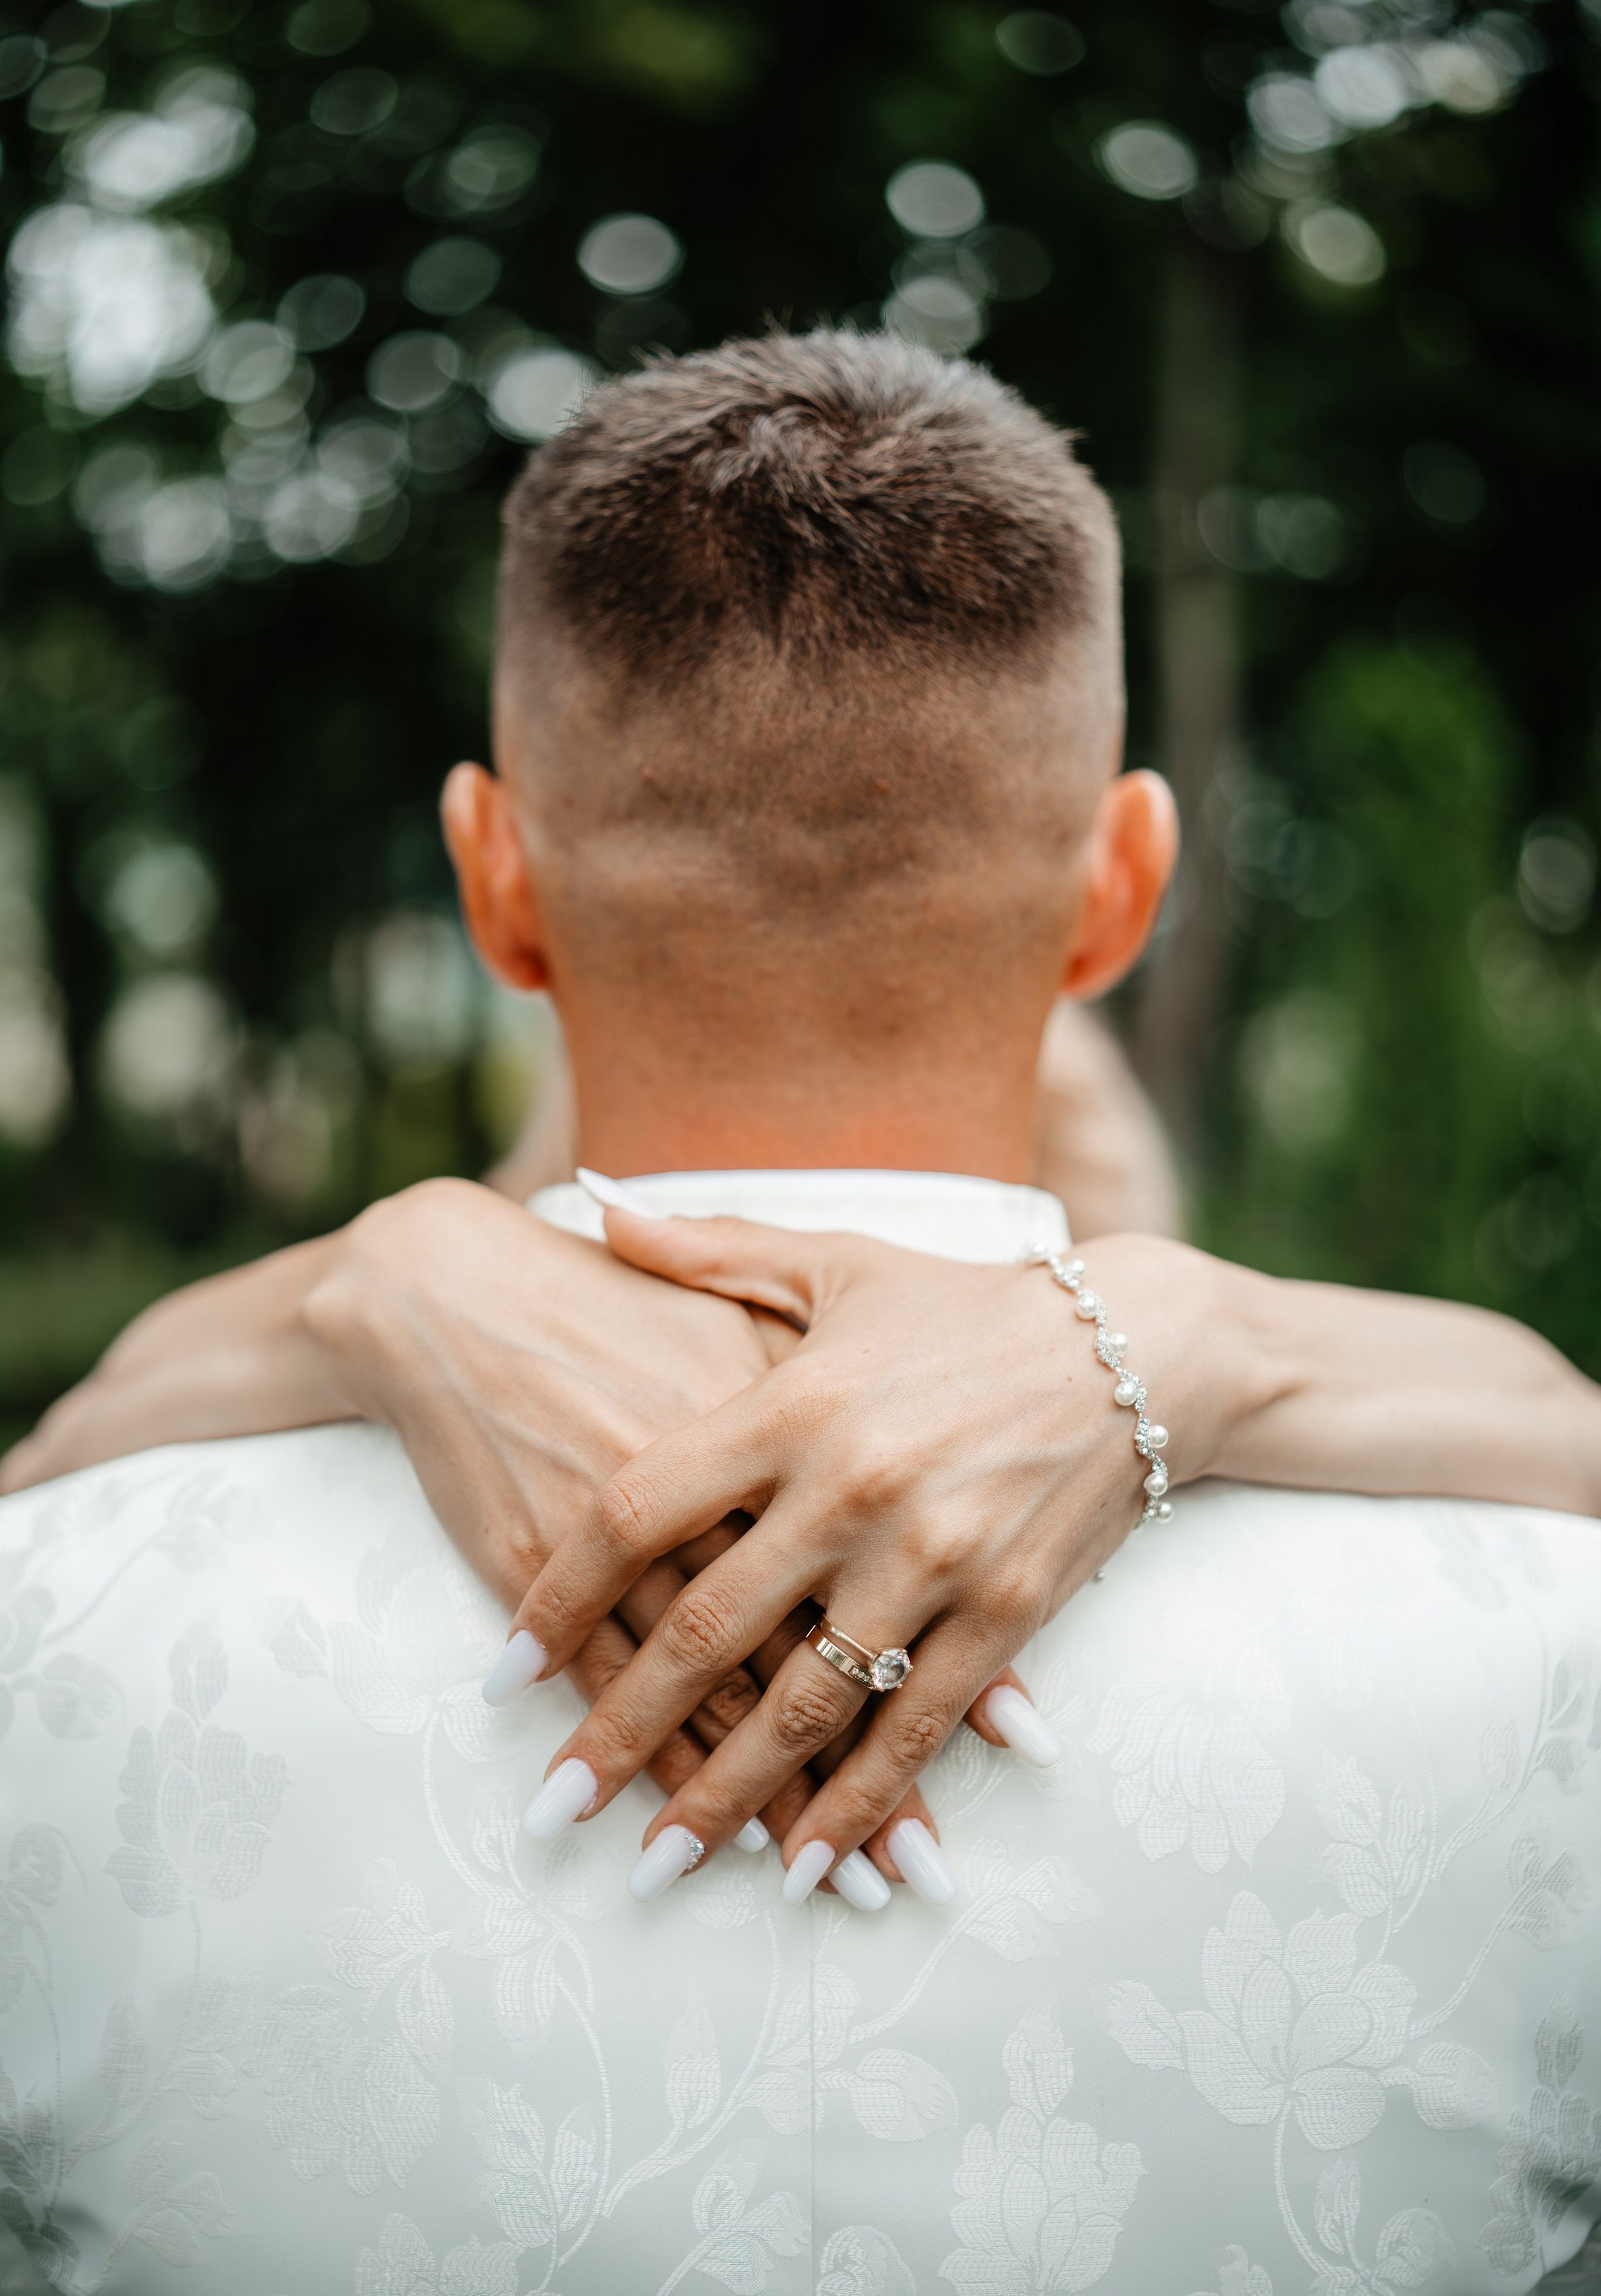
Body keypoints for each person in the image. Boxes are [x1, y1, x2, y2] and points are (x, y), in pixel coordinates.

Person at [2, 331, 1598, 2294]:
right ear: (1124, 890)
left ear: (492, 882)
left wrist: (388, 1248)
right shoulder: (1544, 1623)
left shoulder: (50, 1616)